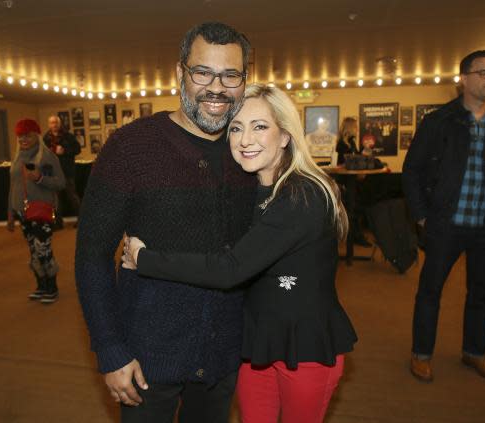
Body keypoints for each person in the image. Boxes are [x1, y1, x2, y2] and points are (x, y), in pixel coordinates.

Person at [122, 84, 357, 423]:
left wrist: (144, 259)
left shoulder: (302, 194)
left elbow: (230, 268)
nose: (245, 139)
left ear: (286, 135)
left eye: (260, 126)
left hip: (305, 348)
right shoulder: (251, 191)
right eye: (236, 127)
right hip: (257, 344)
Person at [75, 22, 257, 422]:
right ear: (180, 74)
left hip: (224, 355)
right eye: (202, 72)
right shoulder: (130, 147)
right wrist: (109, 348)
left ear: (245, 80)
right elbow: (92, 254)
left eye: (231, 75)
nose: (217, 88)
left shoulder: (250, 150)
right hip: (144, 359)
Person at [403, 49, 485, 383]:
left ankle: (474, 352)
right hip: (445, 223)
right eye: (483, 72)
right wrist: (422, 216)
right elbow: (411, 170)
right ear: (464, 79)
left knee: (482, 293)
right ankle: (421, 354)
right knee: (430, 291)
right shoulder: (439, 121)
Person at [7, 119, 65, 304]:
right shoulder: (18, 158)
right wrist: (10, 213)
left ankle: (52, 287)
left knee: (43, 250)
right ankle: (41, 286)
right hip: (23, 213)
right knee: (33, 251)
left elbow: (60, 183)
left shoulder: (47, 157)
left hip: (41, 211)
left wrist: (40, 178)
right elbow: (13, 187)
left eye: (27, 135)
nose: (23, 139)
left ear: (36, 136)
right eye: (20, 136)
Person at [335, 117, 372, 247]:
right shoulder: (341, 144)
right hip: (346, 183)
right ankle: (355, 237)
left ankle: (357, 236)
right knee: (352, 210)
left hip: (353, 182)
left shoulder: (351, 142)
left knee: (356, 209)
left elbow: (355, 158)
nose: (357, 130)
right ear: (350, 128)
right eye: (355, 127)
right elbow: (343, 164)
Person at [42, 115, 81, 229]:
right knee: (56, 199)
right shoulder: (46, 138)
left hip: (67, 171)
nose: (54, 125)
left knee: (72, 197)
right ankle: (58, 222)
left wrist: (65, 151)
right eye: (51, 123)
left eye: (56, 123)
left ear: (59, 124)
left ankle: (82, 220)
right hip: (53, 173)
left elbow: (77, 149)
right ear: (49, 125)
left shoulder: (68, 136)